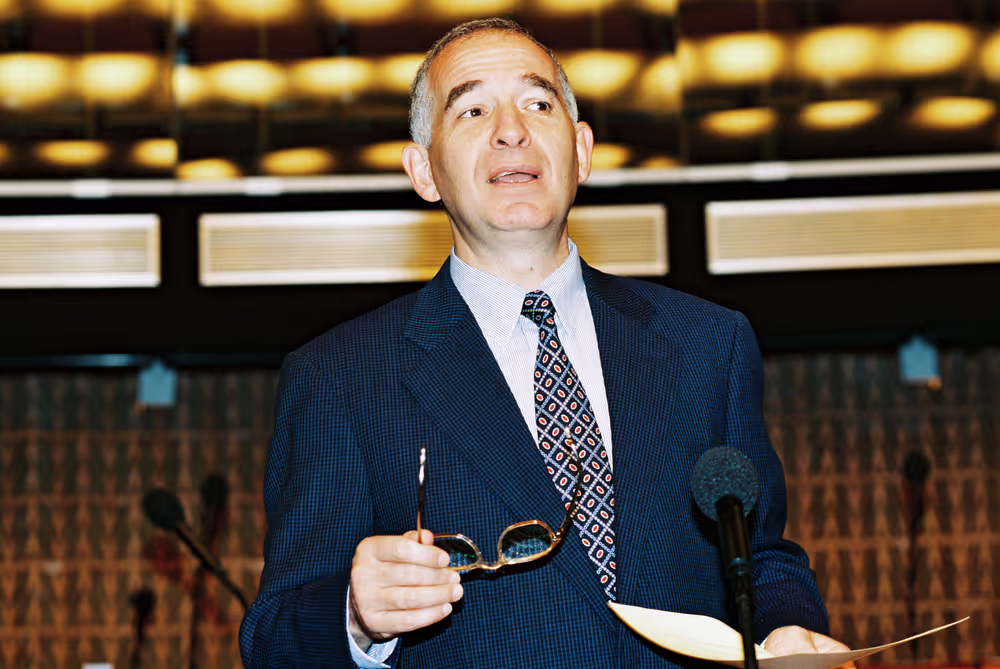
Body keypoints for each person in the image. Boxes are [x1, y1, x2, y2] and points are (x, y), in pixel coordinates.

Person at [239, 17, 851, 669]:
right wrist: (355, 617)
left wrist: (788, 626)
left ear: (581, 151)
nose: (511, 130)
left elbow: (761, 554)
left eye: (537, 103)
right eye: (472, 110)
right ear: (424, 171)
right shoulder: (340, 376)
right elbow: (273, 637)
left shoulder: (706, 344)